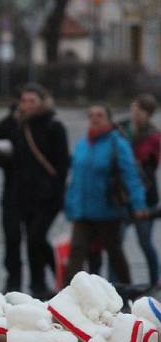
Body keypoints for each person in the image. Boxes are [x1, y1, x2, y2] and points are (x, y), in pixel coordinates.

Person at [0, 83, 69, 298]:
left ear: (42, 102)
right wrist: (7, 160)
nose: (28, 105)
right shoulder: (14, 124)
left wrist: (56, 194)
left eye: (33, 101)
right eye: (24, 101)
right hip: (15, 194)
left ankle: (42, 282)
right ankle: (14, 282)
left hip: (44, 196)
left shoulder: (53, 126)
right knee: (13, 239)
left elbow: (62, 165)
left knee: (35, 239)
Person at [64, 103, 148, 285]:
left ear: (108, 120)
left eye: (100, 115)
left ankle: (126, 288)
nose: (94, 118)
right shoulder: (82, 145)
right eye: (91, 115)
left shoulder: (117, 144)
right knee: (77, 251)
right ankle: (66, 295)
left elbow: (131, 175)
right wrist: (70, 205)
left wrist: (139, 204)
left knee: (114, 252)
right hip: (83, 212)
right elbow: (75, 179)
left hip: (107, 211)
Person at [119, 94, 161, 287]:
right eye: (133, 108)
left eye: (141, 110)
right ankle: (116, 282)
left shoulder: (154, 136)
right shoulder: (120, 129)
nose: (135, 113)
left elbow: (152, 166)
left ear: (149, 114)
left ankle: (155, 279)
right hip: (121, 196)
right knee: (116, 243)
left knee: (144, 242)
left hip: (145, 196)